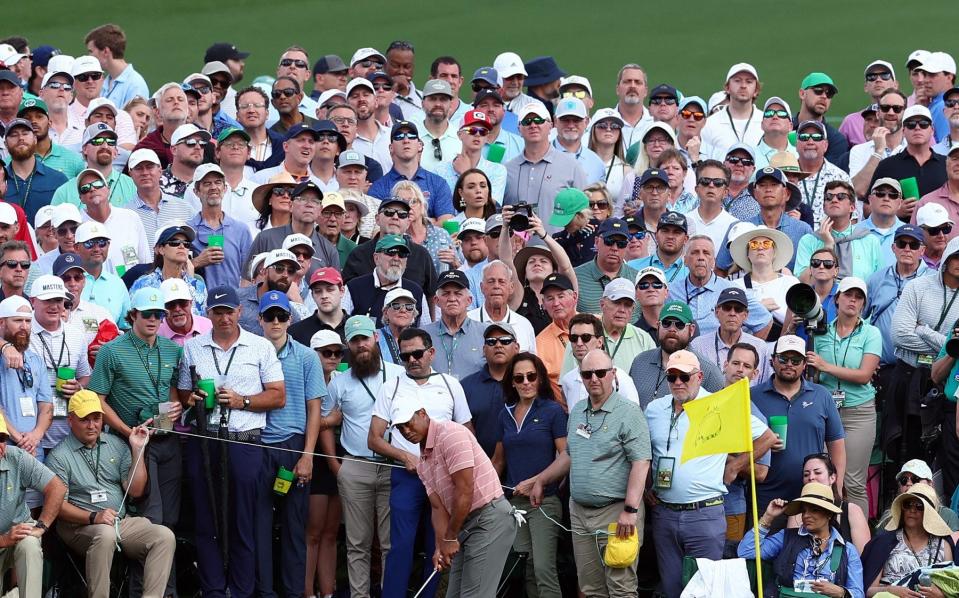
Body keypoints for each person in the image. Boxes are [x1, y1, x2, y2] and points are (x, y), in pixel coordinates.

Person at [177, 285, 286, 597]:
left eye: (229, 311)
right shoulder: (193, 347)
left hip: (244, 439)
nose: (224, 317)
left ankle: (241, 589)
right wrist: (194, 397)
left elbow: (279, 395)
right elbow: (185, 393)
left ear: (240, 311)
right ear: (208, 314)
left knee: (242, 518)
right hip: (205, 438)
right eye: (217, 311)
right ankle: (212, 588)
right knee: (206, 515)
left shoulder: (260, 346)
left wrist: (243, 402)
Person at [647, 350, 771, 598]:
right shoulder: (654, 409)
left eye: (684, 376)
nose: (678, 382)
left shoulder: (718, 405)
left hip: (704, 514)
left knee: (705, 591)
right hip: (665, 513)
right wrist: (644, 487)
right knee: (672, 590)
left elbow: (767, 437)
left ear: (700, 376)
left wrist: (734, 467)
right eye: (672, 377)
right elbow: (642, 452)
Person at [530, 348, 651, 595]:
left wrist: (630, 510)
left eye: (600, 372)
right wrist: (542, 479)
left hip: (617, 514)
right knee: (591, 588)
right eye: (587, 374)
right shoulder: (577, 412)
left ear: (613, 374)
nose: (594, 378)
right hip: (580, 513)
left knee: (621, 589)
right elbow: (570, 455)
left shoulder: (629, 412)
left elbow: (641, 462)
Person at [368, 327, 472, 598]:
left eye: (417, 353)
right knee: (400, 544)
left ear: (431, 353)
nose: (412, 360)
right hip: (408, 475)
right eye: (405, 356)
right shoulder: (392, 386)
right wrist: (404, 456)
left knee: (437, 542)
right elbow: (374, 439)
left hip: (444, 476)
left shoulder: (450, 384)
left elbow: (467, 433)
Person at [46, 390, 176, 598]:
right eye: (84, 420)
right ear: (70, 420)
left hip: (118, 522)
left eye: (96, 418)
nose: (92, 425)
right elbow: (57, 506)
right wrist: (93, 517)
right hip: (79, 527)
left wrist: (137, 450)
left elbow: (135, 490)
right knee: (104, 535)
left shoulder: (114, 445)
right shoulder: (59, 456)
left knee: (164, 536)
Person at [392, 400, 518, 596]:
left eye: (409, 423)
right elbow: (437, 508)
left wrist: (450, 538)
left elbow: (465, 490)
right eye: (400, 428)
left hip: (489, 518)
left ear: (423, 413)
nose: (406, 430)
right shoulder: (423, 463)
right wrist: (440, 546)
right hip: (463, 525)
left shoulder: (451, 434)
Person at [325, 315, 404, 597]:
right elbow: (324, 422)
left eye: (365, 339)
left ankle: (388, 592)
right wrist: (336, 464)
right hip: (355, 466)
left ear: (377, 338)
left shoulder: (399, 374)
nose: (361, 346)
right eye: (355, 341)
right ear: (348, 344)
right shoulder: (339, 382)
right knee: (356, 542)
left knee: (388, 543)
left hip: (394, 466)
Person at [253, 291, 324, 598]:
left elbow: (314, 409)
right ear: (260, 320)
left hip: (293, 445)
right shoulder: (250, 352)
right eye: (270, 316)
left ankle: (293, 593)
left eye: (281, 316)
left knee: (294, 526)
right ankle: (265, 592)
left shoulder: (307, 356)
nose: (276, 322)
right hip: (257, 444)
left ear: (290, 319)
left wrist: (308, 455)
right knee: (260, 526)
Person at [804, 277, 881, 514]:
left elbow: (864, 375)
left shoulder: (871, 332)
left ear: (863, 304)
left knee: (854, 481)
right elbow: (812, 374)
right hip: (825, 409)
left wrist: (825, 366)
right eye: (848, 295)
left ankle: (860, 543)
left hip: (859, 411)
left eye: (858, 297)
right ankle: (826, 532)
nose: (853, 300)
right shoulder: (821, 331)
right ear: (837, 298)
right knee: (824, 478)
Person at [752, 335, 847, 513]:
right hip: (765, 492)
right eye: (783, 358)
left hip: (812, 492)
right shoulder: (753, 396)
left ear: (805, 364)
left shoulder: (821, 395)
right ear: (773, 360)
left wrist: (837, 486)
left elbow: (836, 444)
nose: (789, 364)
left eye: (796, 360)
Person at [740, 482, 864, 598]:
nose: (806, 515)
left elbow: (858, 593)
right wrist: (768, 517)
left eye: (814, 510)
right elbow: (746, 551)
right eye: (803, 511)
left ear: (829, 514)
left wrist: (841, 592)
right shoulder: (786, 537)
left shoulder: (847, 550)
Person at [0, 414, 66, 598]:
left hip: (17, 534)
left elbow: (57, 488)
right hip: (3, 540)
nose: (0, 446)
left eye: (2, 438)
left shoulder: (15, 457)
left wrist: (41, 526)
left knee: (30, 543)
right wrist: (4, 540)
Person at [504, 102, 588, 233]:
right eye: (527, 121)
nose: (533, 125)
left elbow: (583, 213)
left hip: (557, 249)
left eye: (539, 120)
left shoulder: (571, 166)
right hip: (516, 250)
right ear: (519, 128)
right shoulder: (507, 169)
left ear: (550, 126)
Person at [667, 235, 773, 338]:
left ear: (713, 262)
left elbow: (765, 320)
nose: (700, 258)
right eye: (695, 253)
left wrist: (746, 352)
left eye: (706, 253)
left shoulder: (731, 290)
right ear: (685, 260)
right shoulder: (671, 291)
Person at [861, 483, 956, 597]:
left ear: (929, 513)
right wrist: (890, 590)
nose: (912, 510)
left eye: (919, 506)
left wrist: (941, 595)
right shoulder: (884, 542)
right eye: (908, 504)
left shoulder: (943, 545)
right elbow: (868, 591)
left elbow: (951, 587)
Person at [629, 300, 726, 408]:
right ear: (658, 326)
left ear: (692, 329)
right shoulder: (640, 362)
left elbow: (723, 409)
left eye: (679, 325)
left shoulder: (706, 370)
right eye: (666, 323)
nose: (672, 329)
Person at [0, 295, 52, 466]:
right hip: (6, 449)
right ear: (2, 323)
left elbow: (46, 405)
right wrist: (17, 437)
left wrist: (35, 436)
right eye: (17, 321)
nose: (24, 327)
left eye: (28, 321)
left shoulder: (36, 360)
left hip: (35, 450)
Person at [366, 120, 454, 221]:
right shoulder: (378, 187)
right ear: (391, 148)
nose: (406, 140)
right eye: (399, 136)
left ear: (420, 145)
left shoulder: (438, 183)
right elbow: (377, 225)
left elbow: (445, 222)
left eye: (412, 135)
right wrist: (430, 221)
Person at [187, 163, 253, 290]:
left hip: (232, 306)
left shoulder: (240, 230)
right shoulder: (187, 230)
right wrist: (197, 262)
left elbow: (248, 274)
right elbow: (174, 271)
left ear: (225, 189)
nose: (213, 187)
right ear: (196, 192)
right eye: (207, 183)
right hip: (200, 305)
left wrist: (241, 301)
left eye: (218, 182)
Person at [459, 321, 520, 458]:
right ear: (483, 349)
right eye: (491, 342)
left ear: (516, 347)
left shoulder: (528, 383)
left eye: (505, 341)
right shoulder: (466, 386)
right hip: (479, 467)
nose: (498, 345)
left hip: (521, 469)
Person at [343, 234, 429, 327]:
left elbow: (426, 330)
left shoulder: (416, 291)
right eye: (390, 253)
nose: (396, 258)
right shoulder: (354, 287)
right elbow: (341, 323)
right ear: (376, 258)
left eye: (402, 254)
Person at [690, 287, 774, 382]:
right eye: (727, 308)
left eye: (738, 309)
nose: (732, 313)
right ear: (717, 312)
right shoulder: (698, 345)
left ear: (745, 315)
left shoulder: (760, 347)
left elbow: (765, 384)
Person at [560, 312, 641, 405]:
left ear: (599, 342)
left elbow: (634, 415)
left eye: (586, 337)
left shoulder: (620, 379)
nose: (579, 343)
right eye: (573, 338)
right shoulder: (568, 380)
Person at [872, 105, 946, 203]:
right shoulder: (887, 165)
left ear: (932, 130)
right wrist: (896, 211)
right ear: (903, 131)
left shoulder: (947, 164)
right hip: (901, 219)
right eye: (911, 124)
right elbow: (868, 206)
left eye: (924, 124)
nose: (917, 128)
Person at [130, 222, 207, 314]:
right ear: (161, 249)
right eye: (174, 243)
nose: (182, 246)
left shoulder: (198, 285)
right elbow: (132, 319)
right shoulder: (143, 284)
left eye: (186, 244)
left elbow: (203, 321)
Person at [424, 269, 487, 379]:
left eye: (458, 294)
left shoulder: (485, 333)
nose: (452, 299)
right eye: (446, 294)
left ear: (469, 300)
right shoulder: (423, 335)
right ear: (436, 300)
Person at [432, 111, 506, 204]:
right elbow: (437, 208)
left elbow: (492, 207)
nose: (478, 134)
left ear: (487, 137)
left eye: (483, 131)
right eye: (472, 130)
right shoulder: (440, 170)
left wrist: (466, 174)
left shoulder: (497, 170)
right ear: (459, 135)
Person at [4, 117, 68, 222]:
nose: (20, 138)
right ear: (6, 144)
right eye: (14, 135)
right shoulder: (1, 181)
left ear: (35, 139)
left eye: (25, 133)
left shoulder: (58, 179)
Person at [467, 260, 537, 352]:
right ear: (482, 287)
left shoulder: (524, 325)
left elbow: (531, 364)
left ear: (511, 287)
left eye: (502, 281)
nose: (496, 286)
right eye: (491, 281)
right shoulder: (467, 322)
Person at [574, 218, 639, 314]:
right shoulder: (576, 276)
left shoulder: (637, 278)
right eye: (609, 241)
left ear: (627, 246)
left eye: (621, 244)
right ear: (596, 242)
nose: (614, 248)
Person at [850, 89, 908, 195]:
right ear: (878, 114)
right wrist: (878, 152)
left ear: (905, 114)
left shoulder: (911, 149)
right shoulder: (858, 150)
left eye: (897, 109)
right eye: (885, 108)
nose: (891, 113)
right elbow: (858, 190)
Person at [876, 459, 959, 532]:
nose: (909, 483)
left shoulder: (947, 516)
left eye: (915, 479)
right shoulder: (889, 518)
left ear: (930, 484)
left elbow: (953, 547)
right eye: (904, 480)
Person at [839, 60, 899, 146]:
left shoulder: (907, 118)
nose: (878, 80)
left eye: (885, 75)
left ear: (895, 85)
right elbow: (839, 157)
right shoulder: (851, 122)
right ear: (866, 87)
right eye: (872, 77)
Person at [627, 209, 690, 282]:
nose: (670, 236)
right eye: (665, 231)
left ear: (686, 239)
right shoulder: (632, 267)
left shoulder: (691, 272)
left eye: (677, 232)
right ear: (656, 235)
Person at [685, 159, 740, 240]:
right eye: (705, 181)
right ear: (696, 189)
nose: (711, 185)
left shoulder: (735, 227)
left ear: (726, 192)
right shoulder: (684, 221)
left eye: (718, 182)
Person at [914, 141, 959, 238]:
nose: (958, 163)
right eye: (955, 159)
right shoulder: (926, 202)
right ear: (946, 164)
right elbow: (914, 242)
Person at [606, 63, 653, 149]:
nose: (632, 86)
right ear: (617, 89)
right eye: (627, 82)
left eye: (638, 82)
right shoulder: (603, 123)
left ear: (645, 91)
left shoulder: (655, 124)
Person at [550, 187, 597, 268]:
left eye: (567, 220)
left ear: (581, 215)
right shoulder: (558, 239)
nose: (564, 225)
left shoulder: (602, 233)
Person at [157, 276, 212, 346]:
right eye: (170, 304)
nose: (177, 309)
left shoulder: (208, 326)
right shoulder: (156, 334)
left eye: (182, 302)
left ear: (191, 303)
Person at [753, 96, 797, 170]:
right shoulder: (750, 157)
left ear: (790, 126)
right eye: (769, 113)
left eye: (781, 113)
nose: (775, 116)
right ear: (762, 125)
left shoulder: (799, 155)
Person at [635, 266, 670, 340]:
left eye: (657, 284)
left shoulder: (681, 326)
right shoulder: (634, 332)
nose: (651, 289)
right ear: (636, 294)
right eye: (644, 285)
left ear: (666, 292)